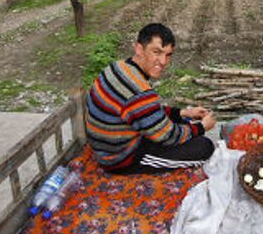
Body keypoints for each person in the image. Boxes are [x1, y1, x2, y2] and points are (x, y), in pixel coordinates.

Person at [85, 23, 216, 173]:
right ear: (139, 49)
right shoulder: (139, 90)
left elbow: (143, 112)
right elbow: (167, 136)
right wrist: (202, 127)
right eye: (157, 52)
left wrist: (183, 113)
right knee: (204, 147)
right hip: (120, 157)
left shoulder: (118, 67)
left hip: (109, 143)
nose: (163, 61)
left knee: (183, 122)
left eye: (167, 55)